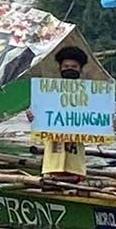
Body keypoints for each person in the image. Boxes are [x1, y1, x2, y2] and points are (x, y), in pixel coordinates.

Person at [27, 46, 89, 181]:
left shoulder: (89, 95)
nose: (70, 69)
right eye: (66, 66)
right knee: (51, 178)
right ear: (60, 68)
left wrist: (109, 123)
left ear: (80, 69)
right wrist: (33, 117)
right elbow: (37, 118)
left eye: (74, 66)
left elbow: (96, 121)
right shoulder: (46, 93)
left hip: (76, 159)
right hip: (52, 157)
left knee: (75, 175)